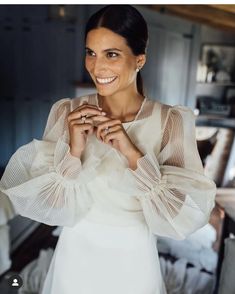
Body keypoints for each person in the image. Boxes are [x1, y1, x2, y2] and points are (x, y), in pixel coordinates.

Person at [0, 5, 216, 294]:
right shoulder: (67, 111)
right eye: (91, 52)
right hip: (75, 252)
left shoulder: (170, 121)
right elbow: (52, 206)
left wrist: (133, 154)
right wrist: (74, 151)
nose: (96, 67)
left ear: (139, 59)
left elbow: (182, 215)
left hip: (133, 258)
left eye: (111, 54)